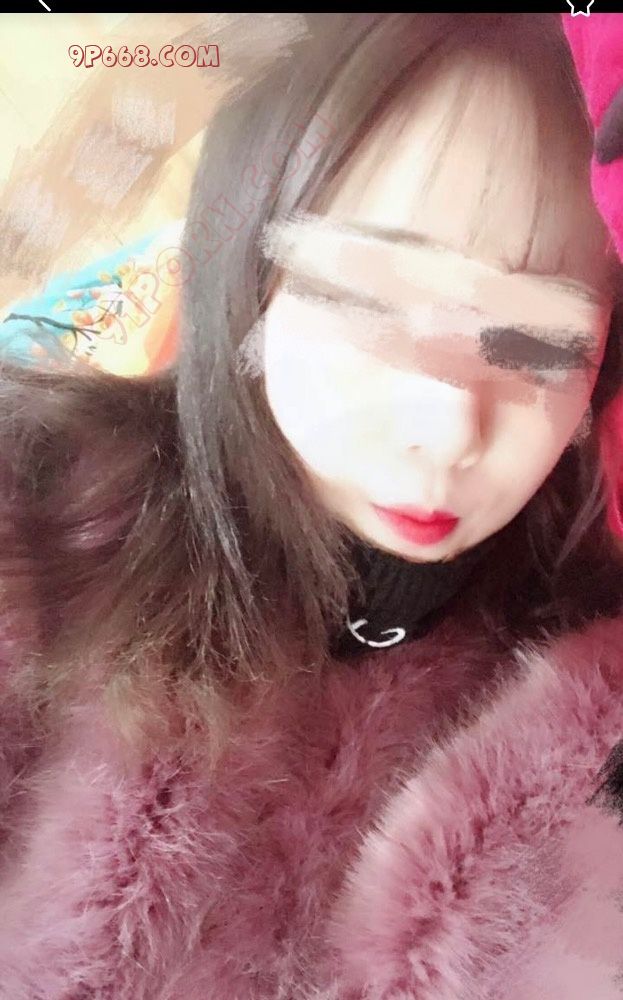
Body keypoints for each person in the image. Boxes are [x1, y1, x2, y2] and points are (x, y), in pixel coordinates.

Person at [1, 12, 623, 998]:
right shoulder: (35, 529)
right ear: (242, 278)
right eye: (365, 303)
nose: (448, 428)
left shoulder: (582, 702)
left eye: (539, 345)